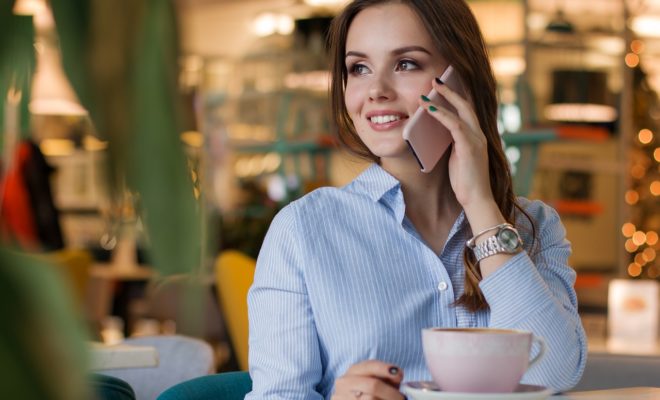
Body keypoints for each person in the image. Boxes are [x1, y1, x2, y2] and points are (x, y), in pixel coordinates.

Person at [246, 0, 587, 398]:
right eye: (359, 68)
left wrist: (480, 205)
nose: (376, 90)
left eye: (406, 63)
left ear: (460, 79)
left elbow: (556, 372)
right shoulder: (303, 229)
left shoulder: (532, 224)